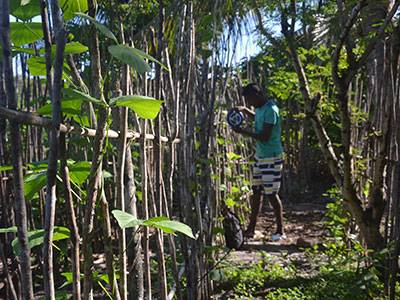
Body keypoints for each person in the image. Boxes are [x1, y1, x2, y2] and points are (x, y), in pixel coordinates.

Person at [232, 83, 285, 241]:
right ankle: (251, 228)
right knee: (256, 192)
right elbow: (258, 118)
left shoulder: (271, 110)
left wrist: (243, 132)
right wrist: (245, 110)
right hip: (260, 156)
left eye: (249, 100)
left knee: (271, 194)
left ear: (258, 95)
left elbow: (264, 136)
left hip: (272, 156)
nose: (250, 103)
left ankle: (280, 230)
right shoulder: (261, 109)